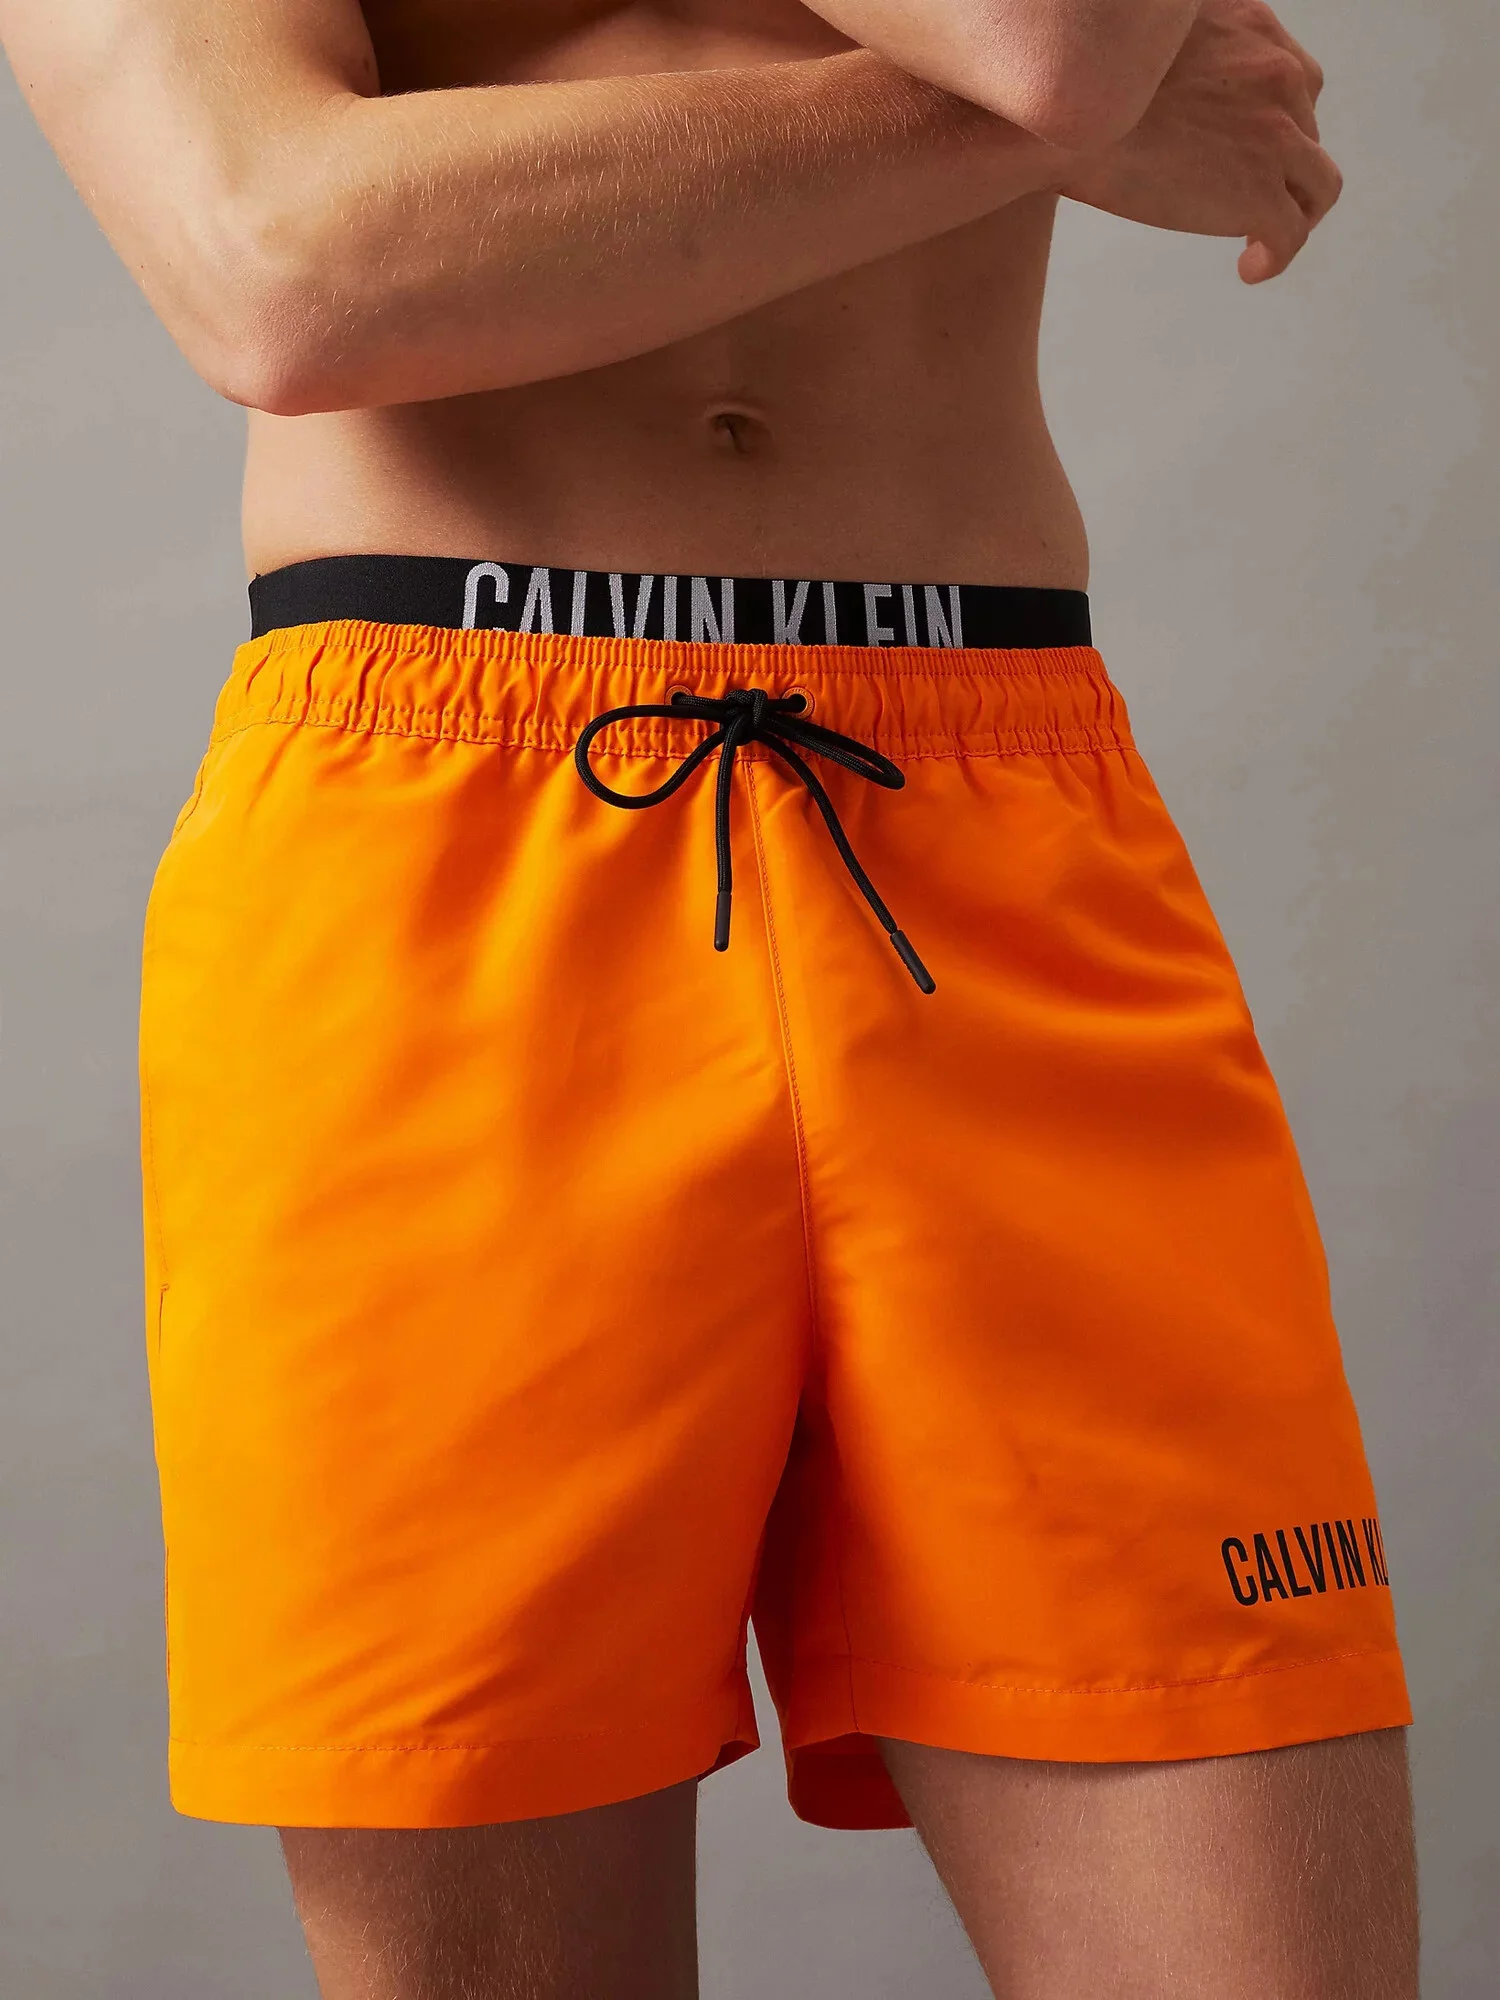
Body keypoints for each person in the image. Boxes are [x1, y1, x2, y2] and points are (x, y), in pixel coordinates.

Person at [2, 1, 1417, 1993]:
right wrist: (1023, 133)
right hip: (436, 848)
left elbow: (1043, 36)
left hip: (994, 823)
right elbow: (285, 264)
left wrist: (1052, 102)